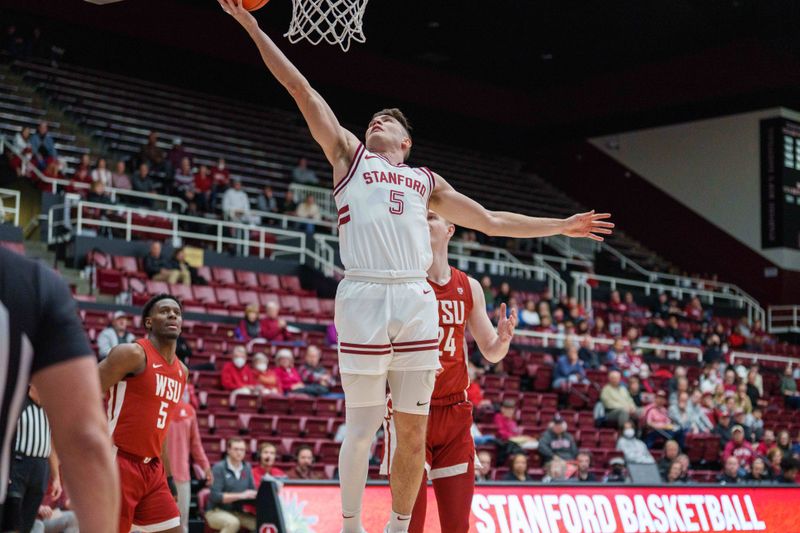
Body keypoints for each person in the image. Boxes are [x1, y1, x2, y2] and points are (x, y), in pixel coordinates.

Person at [219, 3, 614, 531]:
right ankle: (353, 524)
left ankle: (400, 526)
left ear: (405, 143)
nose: (374, 121)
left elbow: (492, 220)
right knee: (361, 426)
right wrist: (252, 26)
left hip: (413, 298)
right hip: (362, 290)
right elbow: (301, 91)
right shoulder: (348, 156)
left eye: (387, 121)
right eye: (372, 119)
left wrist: (560, 225)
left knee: (412, 429)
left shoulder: (426, 181)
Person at [381, 211, 516, 533]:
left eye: (430, 216)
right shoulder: (403, 282)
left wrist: (504, 340)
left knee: (457, 525)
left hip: (455, 412)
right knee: (410, 525)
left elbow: (490, 352)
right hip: (411, 410)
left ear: (450, 229)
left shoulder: (468, 286)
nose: (422, 221)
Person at [0, 247, 119, 532]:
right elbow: (85, 438)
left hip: (38, 468)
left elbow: (60, 443)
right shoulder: (32, 284)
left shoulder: (44, 411)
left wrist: (55, 476)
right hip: (18, 467)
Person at [98, 293, 189, 532]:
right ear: (149, 322)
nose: (172, 315)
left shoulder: (182, 372)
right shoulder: (132, 354)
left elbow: (161, 428)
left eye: (177, 313)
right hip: (119, 461)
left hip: (153, 469)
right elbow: (84, 391)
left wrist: (168, 478)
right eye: (165, 311)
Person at [4, 384, 62, 533]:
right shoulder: (17, 403)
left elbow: (51, 446)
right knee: (11, 521)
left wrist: (56, 477)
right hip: (18, 466)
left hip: (41, 471)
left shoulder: (50, 409)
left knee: (27, 523)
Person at [166, 400, 212, 533]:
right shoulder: (157, 405)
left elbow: (195, 444)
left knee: (181, 522)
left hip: (182, 475)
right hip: (158, 474)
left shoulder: (189, 410)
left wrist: (206, 466)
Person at [206, 438, 257, 533]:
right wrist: (242, 495)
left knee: (259, 523)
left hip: (237, 512)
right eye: (236, 449)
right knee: (233, 523)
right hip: (215, 511)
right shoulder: (219, 468)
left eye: (242, 450)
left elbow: (252, 491)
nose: (239, 453)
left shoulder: (247, 467)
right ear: (228, 450)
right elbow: (216, 496)